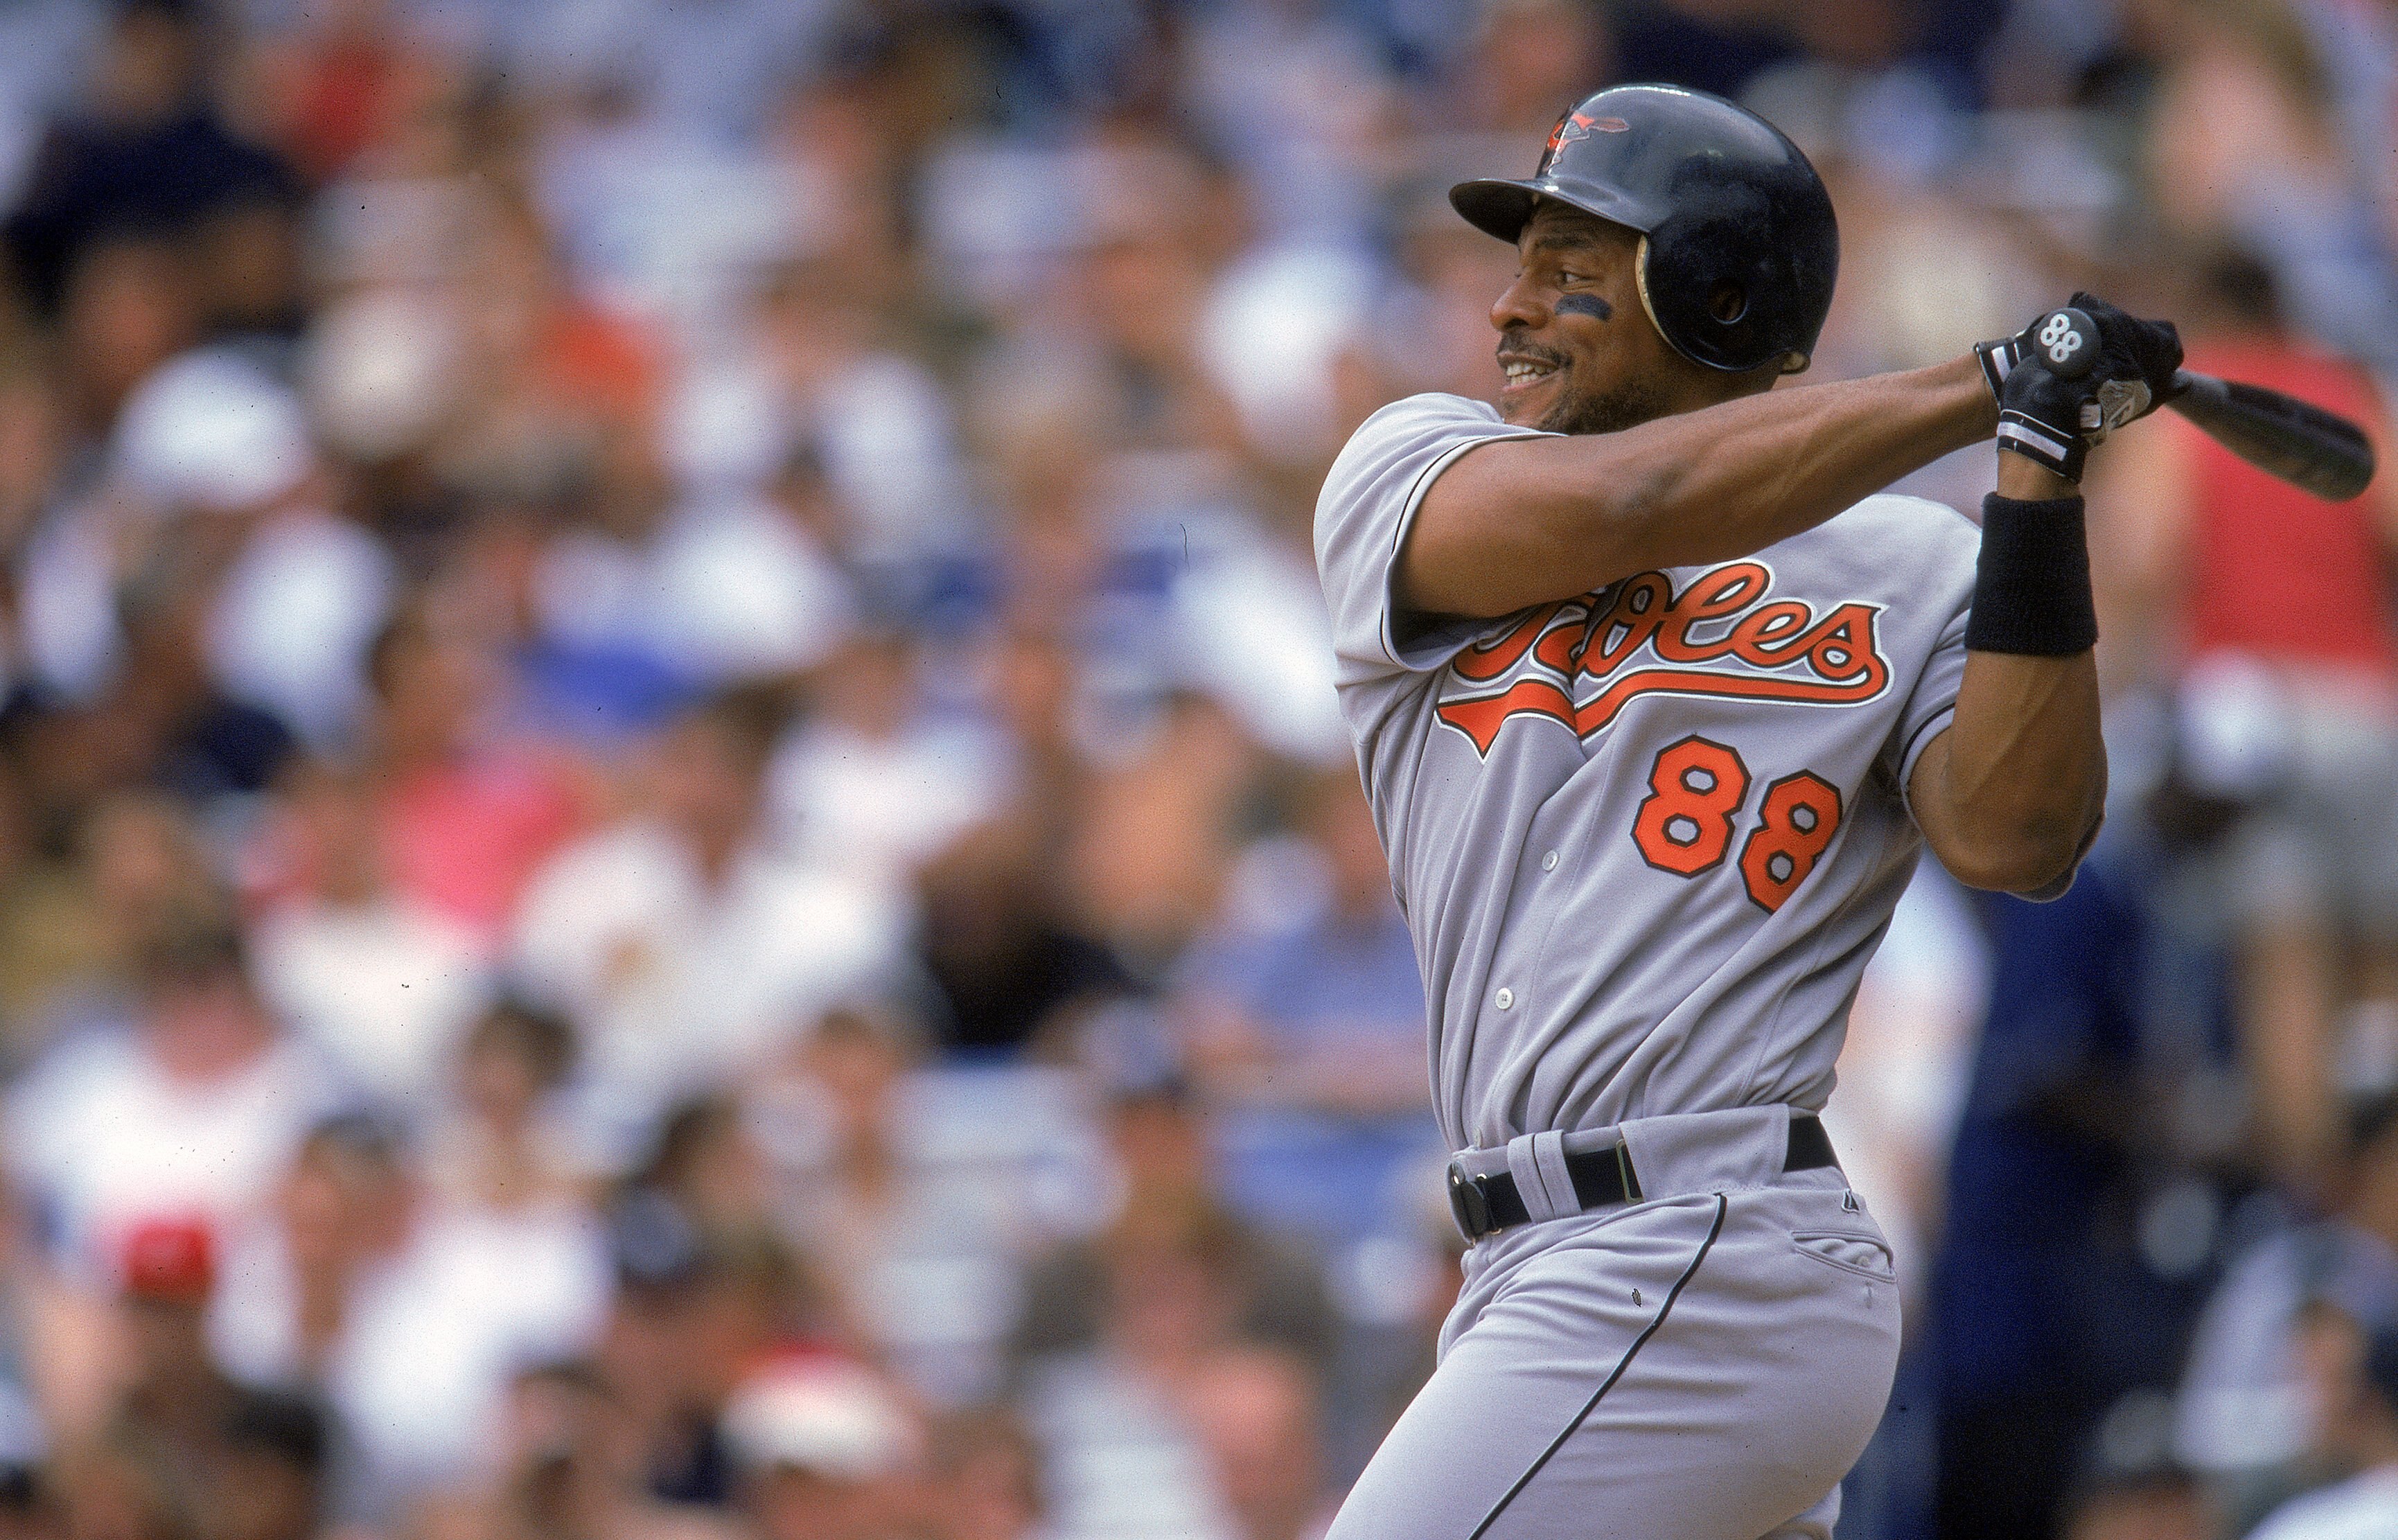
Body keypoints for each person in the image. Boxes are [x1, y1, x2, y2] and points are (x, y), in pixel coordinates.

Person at [1311, 84, 2183, 1539]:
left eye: (1570, 270)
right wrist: (1989, 378)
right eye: (1518, 264)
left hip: (1702, 1236)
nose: (1509, 310)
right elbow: (1632, 504)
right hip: (1531, 1261)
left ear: (1709, 296)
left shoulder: (1914, 562)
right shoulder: (1411, 467)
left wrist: (2038, 472)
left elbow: (2021, 837)